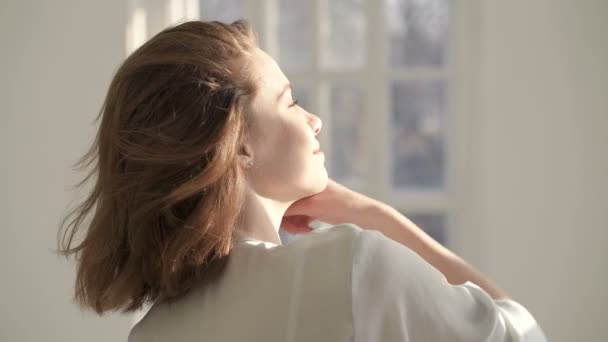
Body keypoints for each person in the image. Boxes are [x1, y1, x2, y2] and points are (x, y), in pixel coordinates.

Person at [57, 20, 546, 342]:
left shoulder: (151, 334)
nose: (313, 120)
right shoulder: (355, 266)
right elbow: (523, 336)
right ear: (238, 143)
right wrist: (379, 219)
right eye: (289, 101)